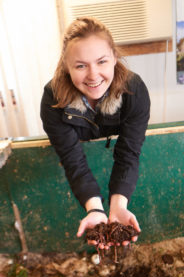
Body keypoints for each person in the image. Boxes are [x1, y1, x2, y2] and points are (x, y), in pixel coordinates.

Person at [40, 17, 150, 249]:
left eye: (101, 61)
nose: (93, 75)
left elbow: (129, 152)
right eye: (80, 65)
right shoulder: (53, 98)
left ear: (114, 58)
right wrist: (96, 209)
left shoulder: (134, 90)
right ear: (66, 67)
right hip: (79, 169)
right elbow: (72, 159)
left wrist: (118, 206)